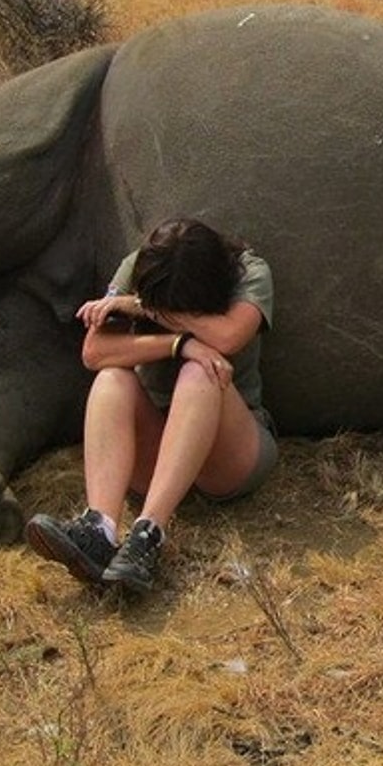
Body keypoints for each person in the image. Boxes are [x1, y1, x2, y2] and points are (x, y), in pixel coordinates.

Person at [25, 217, 276, 593]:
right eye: (157, 306)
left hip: (228, 452)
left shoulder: (249, 271)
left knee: (201, 373)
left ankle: (148, 535)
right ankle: (100, 530)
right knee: (112, 379)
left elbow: (227, 336)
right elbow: (95, 352)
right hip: (156, 446)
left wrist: (148, 310)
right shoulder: (140, 269)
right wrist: (178, 343)